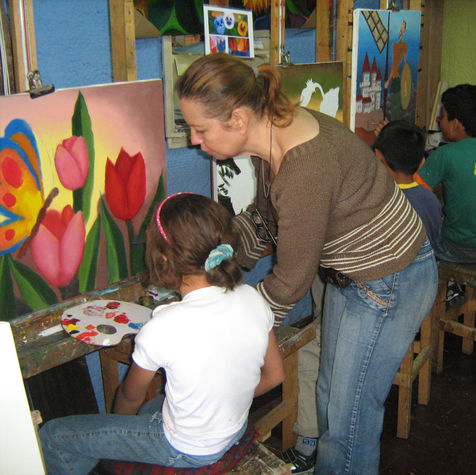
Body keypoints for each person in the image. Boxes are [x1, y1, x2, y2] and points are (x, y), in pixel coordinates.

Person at [177, 53, 438, 475]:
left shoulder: (303, 166)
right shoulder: (275, 134)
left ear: (238, 119)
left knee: (347, 420)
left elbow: (291, 280)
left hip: (388, 279)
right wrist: (216, 252)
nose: (193, 139)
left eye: (200, 128)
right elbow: (265, 218)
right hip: (355, 277)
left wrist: (225, 317)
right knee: (332, 397)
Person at [38, 193, 284, 474]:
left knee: (55, 436)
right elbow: (275, 376)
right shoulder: (252, 298)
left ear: (164, 259)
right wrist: (228, 403)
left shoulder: (164, 326)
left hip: (186, 449)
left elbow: (130, 397)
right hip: (233, 428)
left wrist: (119, 436)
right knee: (150, 409)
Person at [416, 84, 476, 264]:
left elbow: (416, 193)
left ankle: (448, 286)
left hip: (459, 248)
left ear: (456, 124)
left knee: (416, 235)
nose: (438, 121)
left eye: (442, 116)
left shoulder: (445, 154)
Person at [372, 119, 442, 254]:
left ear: (378, 156)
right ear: (421, 162)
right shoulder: (431, 199)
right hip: (428, 270)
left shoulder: (382, 202)